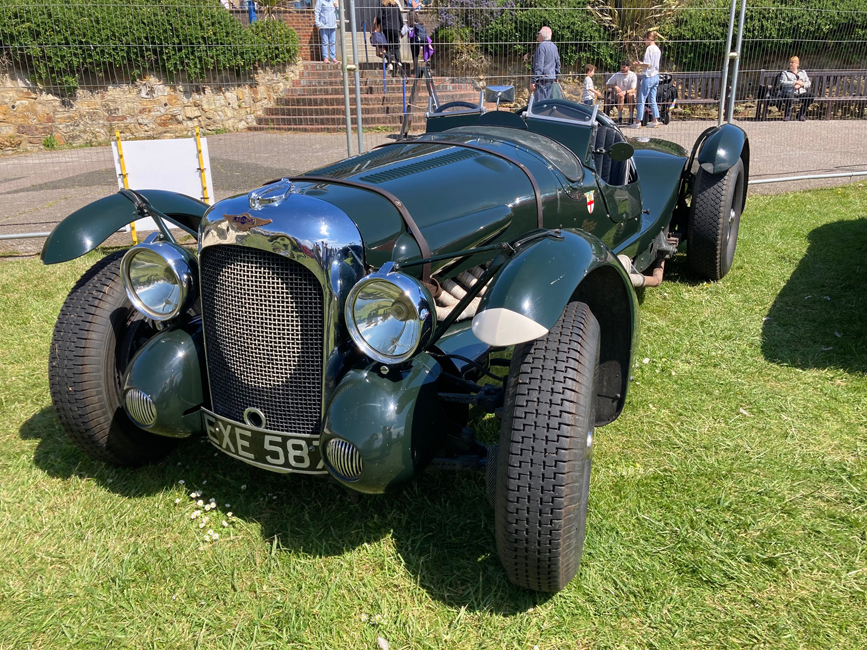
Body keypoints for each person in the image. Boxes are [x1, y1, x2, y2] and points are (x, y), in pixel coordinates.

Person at [632, 31, 661, 128]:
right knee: (652, 99)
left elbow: (648, 65)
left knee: (642, 99)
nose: (644, 41)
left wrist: (639, 64)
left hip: (648, 76)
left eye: (645, 39)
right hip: (656, 76)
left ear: (649, 38)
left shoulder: (649, 49)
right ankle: (655, 120)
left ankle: (638, 121)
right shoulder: (657, 49)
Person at [779, 56, 814, 121]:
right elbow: (783, 83)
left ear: (797, 64)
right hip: (789, 92)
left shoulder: (802, 72)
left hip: (801, 92)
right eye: (790, 62)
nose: (791, 64)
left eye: (793, 62)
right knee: (789, 97)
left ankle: (801, 114)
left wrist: (801, 85)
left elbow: (808, 83)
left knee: (811, 96)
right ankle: (787, 115)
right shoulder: (785, 73)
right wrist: (794, 83)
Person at [531, 26, 560, 102]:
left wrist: (534, 80)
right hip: (551, 78)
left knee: (540, 102)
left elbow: (539, 65)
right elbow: (557, 63)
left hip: (542, 79)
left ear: (542, 35)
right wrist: (556, 76)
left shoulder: (541, 47)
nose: (538, 35)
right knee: (548, 102)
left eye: (539, 33)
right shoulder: (554, 47)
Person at [379, 0, 404, 76]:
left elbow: (379, 17)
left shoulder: (383, 5)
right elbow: (400, 18)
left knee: (387, 46)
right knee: (396, 45)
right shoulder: (395, 5)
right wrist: (400, 27)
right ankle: (398, 61)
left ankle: (390, 63)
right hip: (396, 28)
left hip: (386, 28)